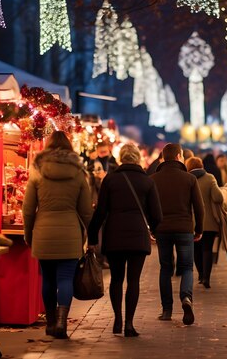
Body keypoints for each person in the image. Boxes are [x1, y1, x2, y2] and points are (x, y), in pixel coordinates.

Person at [22, 131, 92, 339]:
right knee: (65, 278)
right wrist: (89, 235)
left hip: (43, 232)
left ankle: (51, 322)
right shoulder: (79, 173)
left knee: (48, 279)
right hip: (70, 232)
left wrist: (28, 234)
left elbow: (28, 208)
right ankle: (62, 322)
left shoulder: (37, 171)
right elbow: (86, 210)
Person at [87, 144, 162, 337]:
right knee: (134, 280)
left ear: (121, 158)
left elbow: (101, 211)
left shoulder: (110, 180)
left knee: (117, 279)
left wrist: (93, 236)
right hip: (138, 235)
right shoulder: (147, 182)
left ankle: (117, 319)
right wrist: (153, 230)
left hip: (115, 235)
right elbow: (157, 214)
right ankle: (129, 323)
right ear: (137, 158)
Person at [150, 143, 205, 325]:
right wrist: (199, 230)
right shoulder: (189, 179)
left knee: (165, 268)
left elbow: (147, 207)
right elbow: (199, 208)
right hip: (184, 229)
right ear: (180, 157)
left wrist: (152, 228)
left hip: (162, 230)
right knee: (187, 267)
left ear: (163, 158)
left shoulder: (154, 179)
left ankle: (166, 310)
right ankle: (186, 298)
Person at [185, 157, 223, 289]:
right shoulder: (210, 178)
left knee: (196, 249)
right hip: (209, 221)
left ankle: (200, 274)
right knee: (207, 249)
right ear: (201, 165)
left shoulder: (186, 179)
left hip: (191, 222)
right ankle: (207, 278)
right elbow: (218, 197)